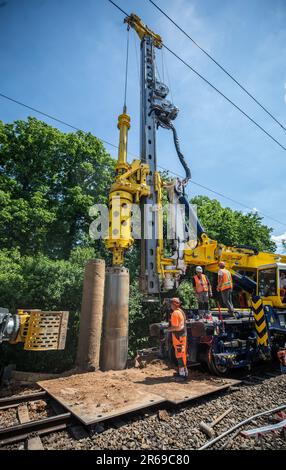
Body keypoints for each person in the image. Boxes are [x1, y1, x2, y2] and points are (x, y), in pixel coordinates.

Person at [167, 298, 188, 380]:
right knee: (182, 354)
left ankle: (182, 374)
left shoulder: (175, 313)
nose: (170, 305)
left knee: (180, 355)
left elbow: (177, 327)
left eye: (171, 304)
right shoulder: (181, 311)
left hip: (179, 337)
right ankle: (182, 372)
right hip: (182, 336)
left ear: (173, 304)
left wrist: (168, 329)